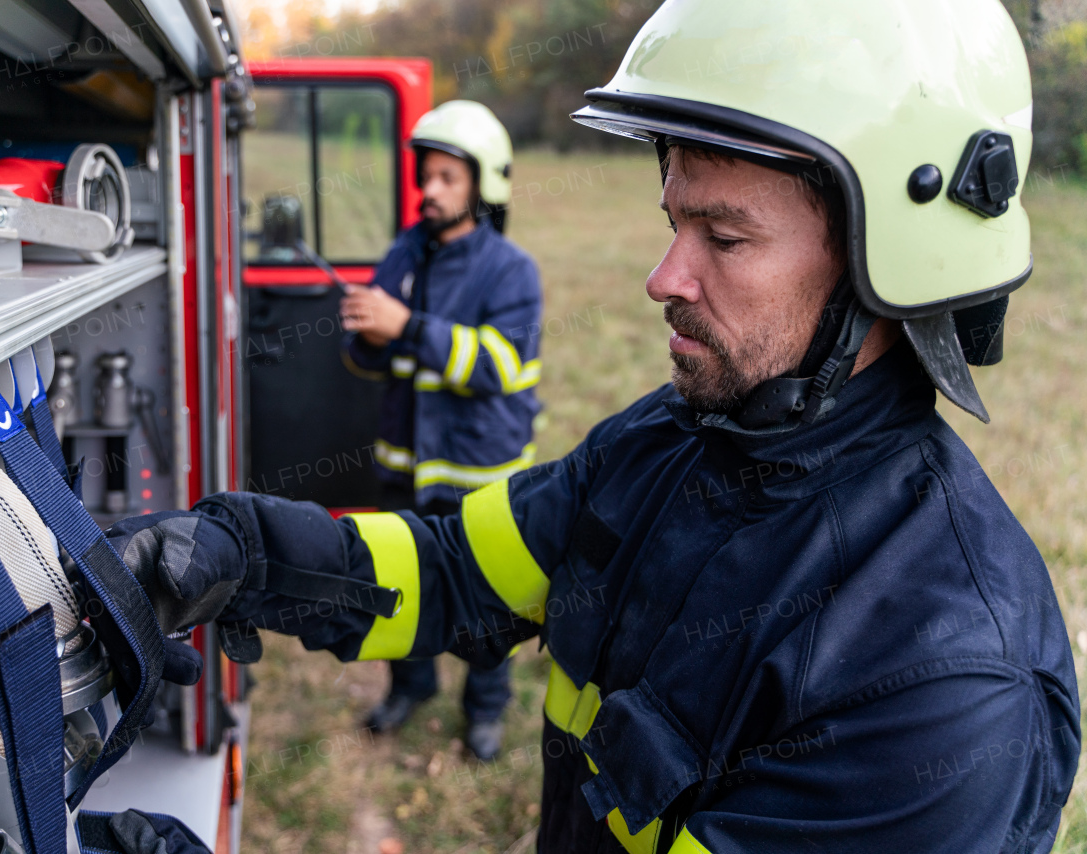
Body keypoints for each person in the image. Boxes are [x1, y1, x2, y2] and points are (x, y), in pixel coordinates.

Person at [108, 1, 1080, 851]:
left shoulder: (940, 687)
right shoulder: (664, 443)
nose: (663, 277)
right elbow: (451, 571)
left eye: (725, 237)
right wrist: (245, 551)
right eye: (672, 222)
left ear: (892, 264)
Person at [337, 100, 542, 761]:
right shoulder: (405, 252)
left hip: (480, 474)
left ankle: (484, 713)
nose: (429, 190)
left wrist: (405, 328)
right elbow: (364, 358)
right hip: (403, 469)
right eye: (427, 176)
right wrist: (367, 335)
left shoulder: (512, 270)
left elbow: (497, 366)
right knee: (401, 592)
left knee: (489, 607)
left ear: (484, 185)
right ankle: (411, 687)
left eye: (447, 178)